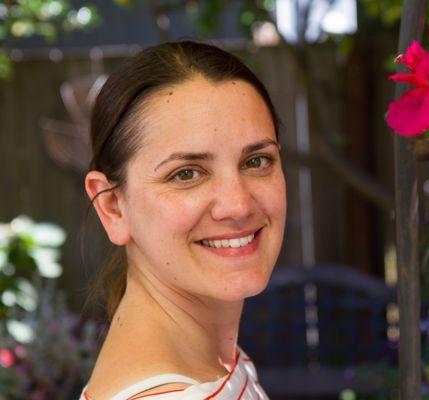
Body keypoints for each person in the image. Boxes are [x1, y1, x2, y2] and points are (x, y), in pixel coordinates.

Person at [79, 40, 286, 399]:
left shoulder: (217, 368)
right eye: (187, 173)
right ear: (112, 206)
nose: (237, 205)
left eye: (256, 161)